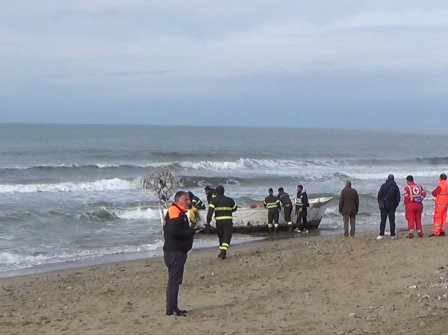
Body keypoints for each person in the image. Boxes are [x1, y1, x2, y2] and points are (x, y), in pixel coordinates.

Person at [163, 190, 199, 317]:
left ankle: (173, 307)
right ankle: (171, 308)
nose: (188, 202)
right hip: (174, 252)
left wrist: (190, 231)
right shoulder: (174, 211)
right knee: (174, 281)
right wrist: (190, 232)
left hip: (178, 251)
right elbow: (174, 231)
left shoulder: (180, 213)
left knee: (176, 281)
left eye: (188, 199)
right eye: (186, 199)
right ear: (178, 200)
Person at [206, 185, 237, 259]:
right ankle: (223, 252)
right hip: (228, 221)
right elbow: (235, 208)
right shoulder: (230, 200)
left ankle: (222, 252)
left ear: (216, 192)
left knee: (221, 237)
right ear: (224, 191)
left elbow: (210, 212)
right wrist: (229, 211)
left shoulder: (213, 200)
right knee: (227, 237)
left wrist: (208, 222)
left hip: (219, 222)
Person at [376, 174, 401, 240]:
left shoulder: (383, 186)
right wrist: (395, 205)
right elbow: (398, 198)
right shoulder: (395, 187)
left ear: (387, 178)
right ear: (393, 179)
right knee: (392, 220)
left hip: (383, 206)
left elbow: (379, 196)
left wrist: (380, 203)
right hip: (392, 206)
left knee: (383, 220)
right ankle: (392, 235)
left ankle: (381, 234)